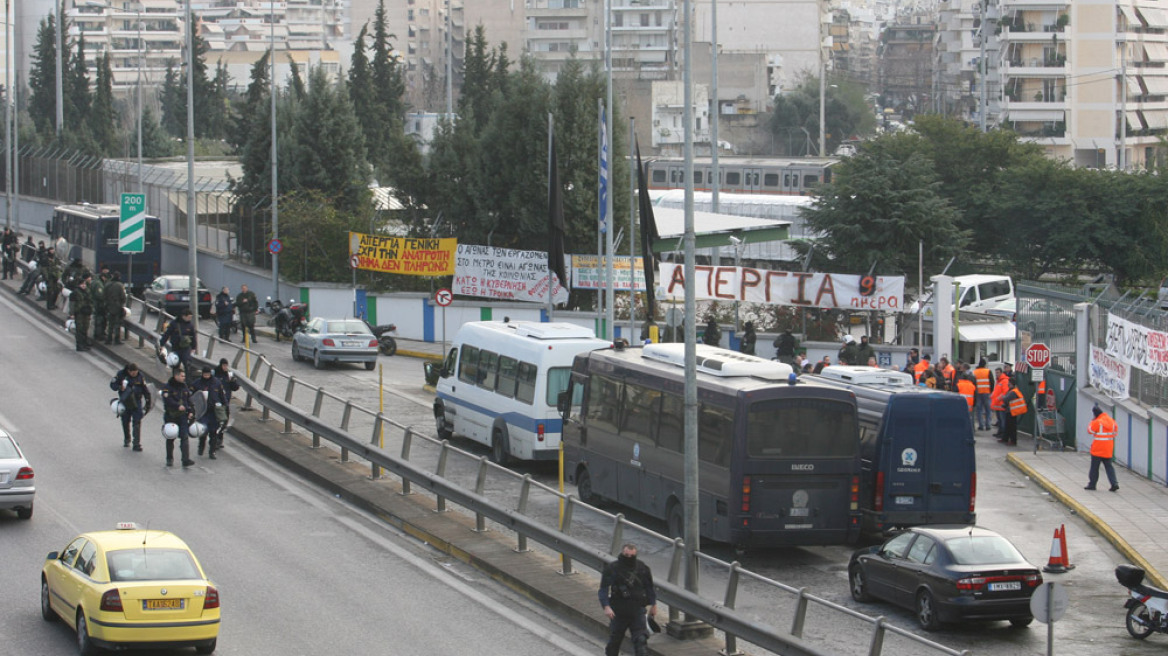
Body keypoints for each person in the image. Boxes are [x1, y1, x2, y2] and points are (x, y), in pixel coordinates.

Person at [598, 543, 657, 656]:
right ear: (622, 553)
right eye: (626, 555)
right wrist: (606, 606)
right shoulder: (612, 568)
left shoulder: (642, 568)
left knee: (641, 641)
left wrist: (653, 604)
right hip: (618, 611)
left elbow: (649, 587)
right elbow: (603, 589)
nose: (628, 558)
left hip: (637, 610)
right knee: (615, 642)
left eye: (631, 555)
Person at [110, 362, 151, 451]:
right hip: (125, 401)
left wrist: (148, 401)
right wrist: (120, 387)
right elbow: (113, 385)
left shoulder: (140, 376)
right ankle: (127, 438)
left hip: (137, 402)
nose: (134, 374)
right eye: (133, 372)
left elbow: (145, 389)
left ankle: (136, 443)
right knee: (125, 421)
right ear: (129, 371)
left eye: (136, 372)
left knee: (137, 422)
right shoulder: (121, 375)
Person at [161, 368, 196, 467]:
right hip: (171, 416)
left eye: (184, 376)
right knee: (171, 436)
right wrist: (177, 406)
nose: (184, 378)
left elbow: (188, 400)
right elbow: (167, 400)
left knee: (184, 437)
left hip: (182, 417)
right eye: (182, 376)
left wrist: (190, 411)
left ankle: (185, 459)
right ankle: (169, 458)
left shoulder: (184, 387)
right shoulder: (168, 387)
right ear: (176, 376)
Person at [190, 366, 227, 459]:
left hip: (213, 411)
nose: (206, 376)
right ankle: (201, 447)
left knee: (213, 432)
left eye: (208, 374)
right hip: (202, 412)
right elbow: (191, 396)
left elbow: (222, 396)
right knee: (203, 431)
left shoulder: (216, 383)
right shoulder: (197, 383)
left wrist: (225, 407)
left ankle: (212, 451)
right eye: (205, 374)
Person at [1085, 405, 1120, 492]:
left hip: (1097, 448)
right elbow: (1115, 433)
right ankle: (1114, 483)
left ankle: (1092, 484)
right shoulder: (1112, 421)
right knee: (1109, 467)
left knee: (1094, 468)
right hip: (1108, 448)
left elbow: (1090, 430)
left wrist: (1091, 422)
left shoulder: (1097, 421)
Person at [213, 358, 241, 450]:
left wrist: (233, 381)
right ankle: (214, 440)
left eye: (226, 365)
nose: (225, 367)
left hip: (226, 402)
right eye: (224, 365)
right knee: (217, 422)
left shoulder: (228, 375)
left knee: (224, 422)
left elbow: (235, 388)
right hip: (217, 403)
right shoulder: (215, 374)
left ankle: (220, 439)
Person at [160, 308, 198, 374]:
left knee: (187, 363)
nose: (190, 319)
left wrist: (194, 347)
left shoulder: (190, 325)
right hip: (176, 347)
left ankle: (187, 380)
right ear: (183, 316)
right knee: (175, 364)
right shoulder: (174, 324)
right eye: (189, 317)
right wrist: (162, 343)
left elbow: (193, 337)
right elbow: (167, 334)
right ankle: (176, 378)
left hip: (186, 348)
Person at [999, 378, 1027, 446]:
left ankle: (1013, 440)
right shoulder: (1013, 391)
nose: (1008, 384)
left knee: (1011, 426)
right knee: (1008, 426)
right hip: (1011, 411)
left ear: (1012, 384)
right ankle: (1005, 438)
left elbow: (1006, 399)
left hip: (1012, 411)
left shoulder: (1013, 392)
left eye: (1009, 383)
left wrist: (1002, 397)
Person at [70, 277, 94, 351]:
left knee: (85, 328)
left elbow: (91, 301)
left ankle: (84, 343)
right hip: (79, 313)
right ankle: (79, 345)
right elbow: (72, 304)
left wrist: (91, 309)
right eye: (82, 284)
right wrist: (72, 313)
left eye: (84, 284)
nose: (83, 285)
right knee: (79, 329)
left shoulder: (87, 291)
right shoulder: (75, 292)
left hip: (86, 313)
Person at [104, 271, 128, 344]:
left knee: (110, 324)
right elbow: (123, 297)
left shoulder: (107, 285)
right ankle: (117, 339)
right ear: (119, 277)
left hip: (108, 306)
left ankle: (109, 339)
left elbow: (104, 295)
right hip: (117, 307)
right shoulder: (120, 285)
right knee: (117, 324)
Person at [972, 359, 993, 431]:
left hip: (978, 393)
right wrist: (991, 391)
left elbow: (973, 382)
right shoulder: (988, 371)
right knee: (988, 409)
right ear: (984, 364)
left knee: (979, 410)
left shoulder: (974, 372)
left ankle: (981, 425)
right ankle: (988, 425)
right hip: (986, 392)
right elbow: (992, 382)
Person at [90, 269, 108, 344]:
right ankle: (98, 335)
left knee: (99, 320)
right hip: (99, 305)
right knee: (99, 321)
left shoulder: (96, 281)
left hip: (97, 305)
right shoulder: (98, 284)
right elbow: (100, 295)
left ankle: (99, 334)